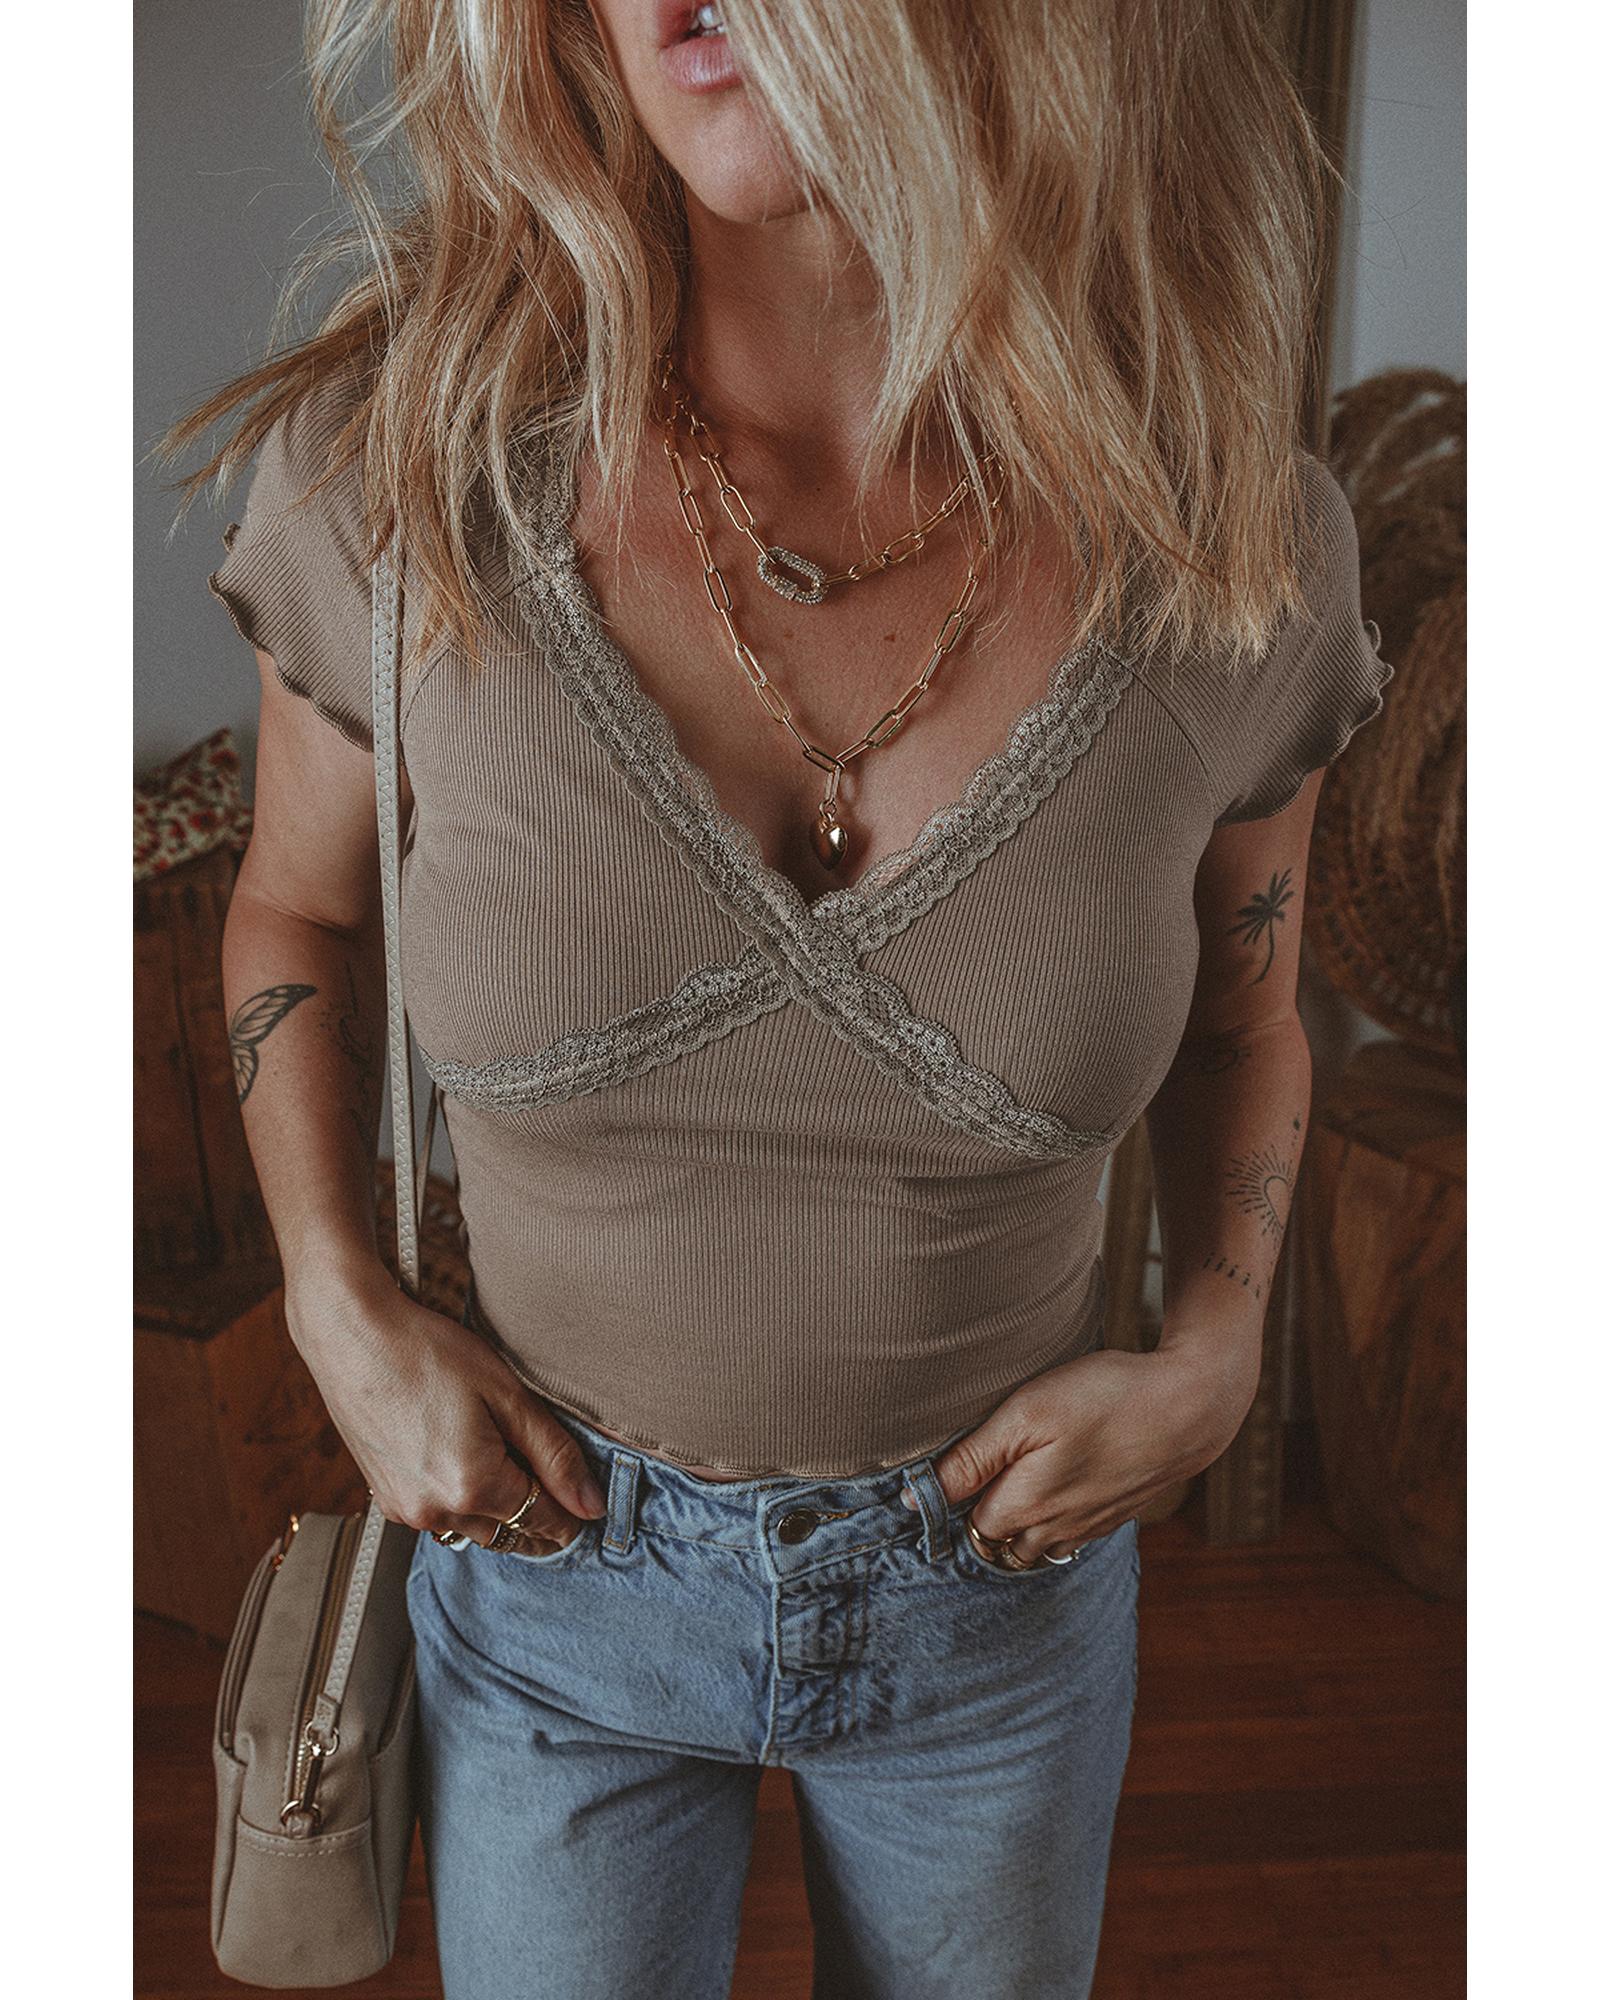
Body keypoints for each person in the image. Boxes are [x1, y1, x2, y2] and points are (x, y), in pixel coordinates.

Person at [160, 2, 1392, 1993]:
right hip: (546, 1576)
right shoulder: (400, 482)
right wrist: (331, 1298)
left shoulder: (1229, 543)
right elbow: (293, 913)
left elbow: (1247, 1018)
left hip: (995, 1603)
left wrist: (1222, 1343)